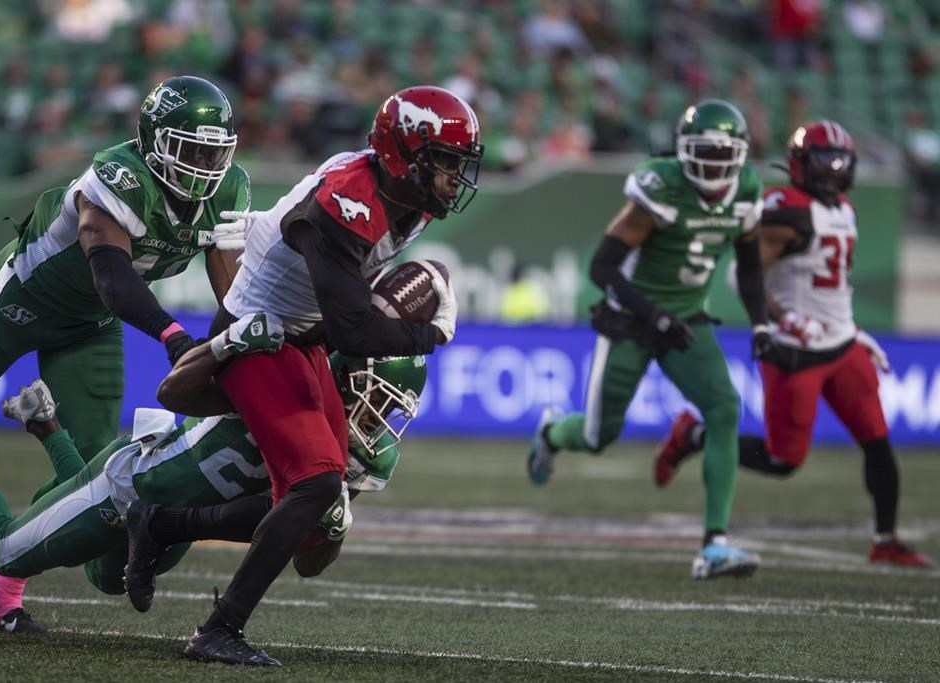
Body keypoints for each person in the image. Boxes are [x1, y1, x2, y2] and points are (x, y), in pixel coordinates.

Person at [123, 85, 481, 666]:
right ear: (405, 156)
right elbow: (355, 333)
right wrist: (430, 334)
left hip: (300, 334)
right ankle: (219, 629)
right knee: (315, 484)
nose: (452, 178)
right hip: (258, 336)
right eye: (443, 162)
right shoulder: (348, 204)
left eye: (456, 165)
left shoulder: (397, 194)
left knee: (319, 500)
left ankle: (161, 524)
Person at [0, 74, 250, 620]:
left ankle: (1, 587)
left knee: (97, 481)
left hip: (88, 326)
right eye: (191, 150)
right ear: (154, 141)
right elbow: (112, 277)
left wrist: (233, 345)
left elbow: (231, 284)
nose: (205, 168)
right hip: (20, 300)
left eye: (215, 154)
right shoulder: (119, 175)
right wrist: (173, 336)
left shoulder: (230, 188)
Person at [0, 317, 428, 638]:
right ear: (339, 376)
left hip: (174, 519)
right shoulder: (283, 385)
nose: (380, 417)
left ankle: (48, 426)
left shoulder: (366, 455)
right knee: (7, 551)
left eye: (391, 407)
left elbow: (307, 558)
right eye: (376, 397)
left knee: (106, 579)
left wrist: (334, 525)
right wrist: (224, 345)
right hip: (132, 482)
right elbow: (173, 391)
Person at [655, 120, 934, 569]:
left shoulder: (843, 208)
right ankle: (693, 435)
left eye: (841, 162)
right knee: (783, 460)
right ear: (801, 164)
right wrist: (783, 319)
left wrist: (851, 328)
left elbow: (830, 286)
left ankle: (886, 539)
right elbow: (738, 274)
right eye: (825, 161)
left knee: (878, 443)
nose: (834, 170)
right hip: (794, 352)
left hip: (842, 346)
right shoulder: (788, 210)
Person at [527, 99, 774, 580]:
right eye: (706, 153)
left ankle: (715, 544)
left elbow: (749, 268)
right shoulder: (661, 188)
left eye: (726, 155)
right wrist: (651, 315)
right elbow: (601, 267)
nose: (717, 166)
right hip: (632, 321)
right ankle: (551, 433)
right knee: (598, 436)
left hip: (686, 322)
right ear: (684, 152)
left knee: (725, 409)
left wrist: (762, 323)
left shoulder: (745, 191)